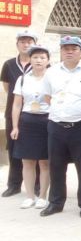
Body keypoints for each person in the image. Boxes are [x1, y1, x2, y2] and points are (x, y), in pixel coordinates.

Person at [40, 36, 81, 218]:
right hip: (56, 126)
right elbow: (47, 97)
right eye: (65, 48)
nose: (69, 51)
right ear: (61, 51)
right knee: (56, 166)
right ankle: (56, 202)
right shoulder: (51, 72)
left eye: (74, 48)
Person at [10, 45, 51, 209]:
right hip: (27, 121)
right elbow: (17, 105)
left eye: (42, 57)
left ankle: (42, 196)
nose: (38, 60)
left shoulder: (53, 78)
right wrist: (15, 127)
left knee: (45, 162)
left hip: (47, 120)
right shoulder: (22, 79)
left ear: (48, 61)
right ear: (30, 60)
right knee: (27, 161)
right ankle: (29, 196)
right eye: (35, 57)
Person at [1, 30, 37, 197]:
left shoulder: (41, 63)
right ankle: (14, 185)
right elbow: (7, 88)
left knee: (37, 149)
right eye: (22, 41)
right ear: (17, 44)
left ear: (35, 44)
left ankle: (37, 185)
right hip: (13, 114)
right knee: (14, 148)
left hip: (35, 115)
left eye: (29, 41)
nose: (26, 44)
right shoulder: (9, 64)